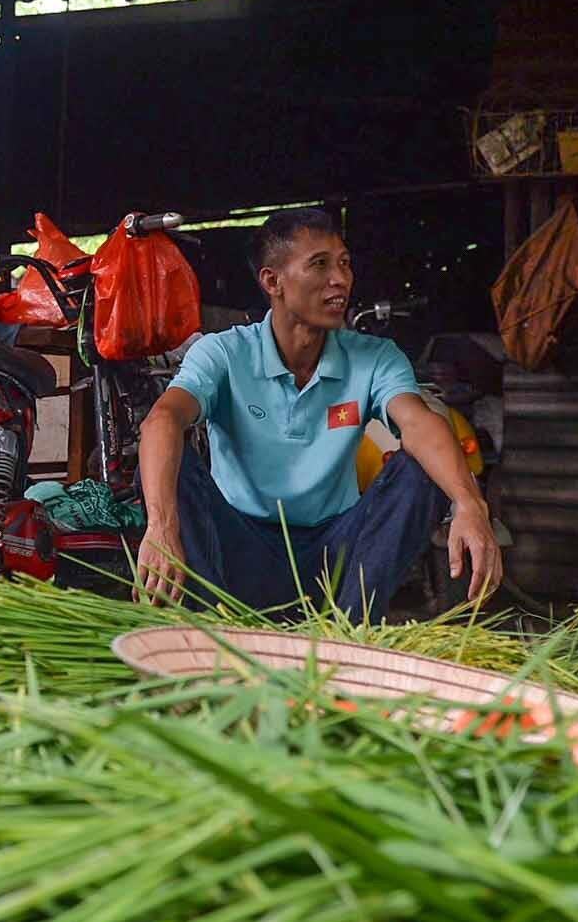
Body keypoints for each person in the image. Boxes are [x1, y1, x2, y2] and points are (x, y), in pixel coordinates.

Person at [135, 207, 503, 619]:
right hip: (240, 551)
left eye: (344, 264)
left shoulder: (373, 357)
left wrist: (471, 503)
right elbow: (163, 420)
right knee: (166, 461)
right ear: (272, 281)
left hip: (336, 555)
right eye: (320, 264)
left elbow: (418, 423)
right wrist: (161, 528)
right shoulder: (224, 352)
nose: (340, 279)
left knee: (424, 469)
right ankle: (210, 631)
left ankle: (349, 633)